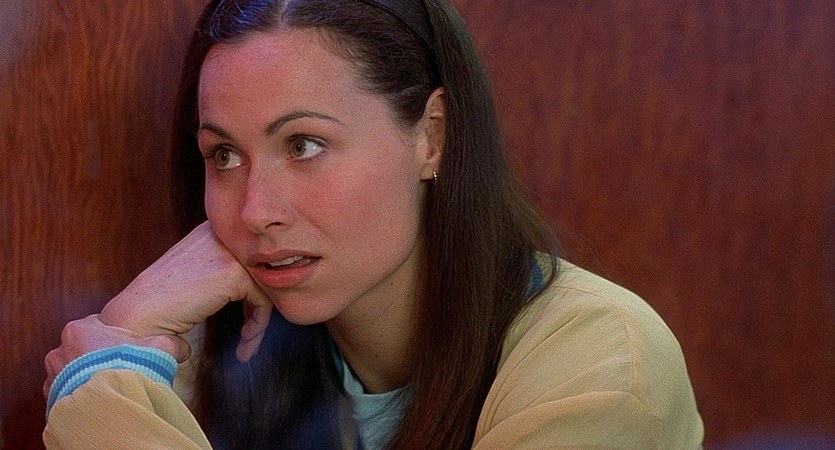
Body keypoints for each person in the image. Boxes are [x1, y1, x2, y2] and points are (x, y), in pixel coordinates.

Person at [42, 0, 704, 448]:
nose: (255, 211)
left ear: (432, 136)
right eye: (224, 156)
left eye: (304, 144)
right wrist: (133, 336)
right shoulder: (227, 365)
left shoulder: (603, 362)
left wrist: (102, 386)